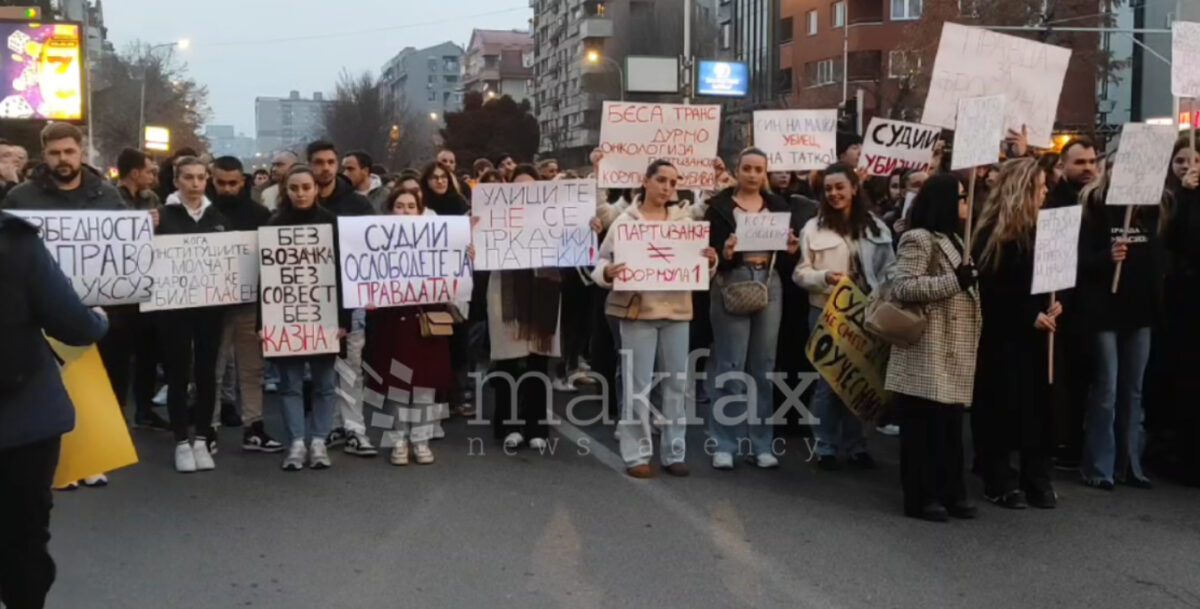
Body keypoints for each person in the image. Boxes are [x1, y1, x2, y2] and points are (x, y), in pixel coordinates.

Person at [0, 210, 108, 609]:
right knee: (24, 540)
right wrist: (98, 321)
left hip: (25, 419)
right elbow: (74, 325)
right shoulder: (16, 242)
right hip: (24, 422)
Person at [593, 159, 718, 478]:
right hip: (637, 312)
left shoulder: (685, 221)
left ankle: (674, 450)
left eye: (673, 182)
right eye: (661, 179)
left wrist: (711, 260)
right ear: (645, 181)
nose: (667, 187)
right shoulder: (625, 221)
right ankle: (637, 454)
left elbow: (699, 265)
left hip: (677, 312)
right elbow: (600, 262)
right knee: (638, 385)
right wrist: (607, 273)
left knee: (677, 384)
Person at [885, 174, 981, 522]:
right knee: (923, 429)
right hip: (925, 345)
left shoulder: (956, 239)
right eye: (959, 197)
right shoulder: (918, 239)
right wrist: (953, 281)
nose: (965, 203)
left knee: (949, 428)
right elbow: (903, 288)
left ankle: (950, 490)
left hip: (951, 347)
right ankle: (921, 496)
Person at [793, 162, 895, 470]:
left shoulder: (877, 227)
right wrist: (825, 277)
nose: (834, 194)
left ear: (854, 188)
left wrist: (884, 295)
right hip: (826, 312)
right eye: (828, 189)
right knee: (829, 380)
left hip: (867, 313)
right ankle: (824, 445)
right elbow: (800, 273)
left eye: (840, 187)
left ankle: (856, 445)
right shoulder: (813, 228)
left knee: (860, 379)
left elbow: (890, 268)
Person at [971, 157, 1060, 509]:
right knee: (1001, 405)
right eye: (1039, 187)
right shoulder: (994, 235)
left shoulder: (1046, 230)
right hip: (1003, 337)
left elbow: (1057, 278)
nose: (1045, 192)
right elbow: (990, 291)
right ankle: (998, 476)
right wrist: (1028, 315)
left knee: (1039, 407)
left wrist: (1058, 304)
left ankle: (1035, 474)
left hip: (1041, 334)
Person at [705, 148, 801, 470]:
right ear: (738, 169)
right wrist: (726, 251)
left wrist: (790, 250)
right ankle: (725, 443)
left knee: (764, 367)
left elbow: (787, 261)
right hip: (732, 280)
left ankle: (761, 443)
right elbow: (711, 255)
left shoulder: (777, 206)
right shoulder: (718, 206)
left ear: (765, 173)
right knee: (731, 364)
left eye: (759, 169)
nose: (752, 174)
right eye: (747, 168)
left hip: (769, 281)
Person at [1077, 173, 1161, 490]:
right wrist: (1105, 258)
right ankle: (1100, 467)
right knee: (1107, 390)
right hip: (1104, 313)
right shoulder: (1096, 207)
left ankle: (1130, 464)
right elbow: (1079, 258)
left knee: (1133, 391)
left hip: (1140, 312)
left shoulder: (1152, 208)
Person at [365, 189, 460, 466]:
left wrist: (464, 255)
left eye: (410, 206)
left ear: (420, 211)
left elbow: (455, 276)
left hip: (425, 323)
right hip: (392, 323)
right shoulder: (376, 242)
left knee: (424, 386)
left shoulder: (436, 241)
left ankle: (420, 440)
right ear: (390, 210)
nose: (405, 211)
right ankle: (398, 440)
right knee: (397, 385)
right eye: (399, 205)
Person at [265, 165, 348, 471]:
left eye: (306, 187)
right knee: (290, 384)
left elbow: (342, 275)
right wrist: (265, 324)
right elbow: (268, 280)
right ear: (285, 191)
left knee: (325, 384)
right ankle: (297, 443)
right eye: (294, 188)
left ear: (316, 189)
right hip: (285, 318)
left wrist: (344, 320)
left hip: (324, 316)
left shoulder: (331, 224)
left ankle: (319, 441)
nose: (301, 194)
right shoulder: (274, 225)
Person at [155, 157, 231, 473]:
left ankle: (202, 438)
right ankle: (180, 442)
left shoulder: (217, 216)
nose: (196, 183)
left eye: (201, 177)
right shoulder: (161, 216)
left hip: (209, 309)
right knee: (177, 374)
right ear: (177, 181)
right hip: (173, 310)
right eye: (189, 177)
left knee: (206, 373)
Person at [306, 140, 378, 456]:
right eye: (319, 162)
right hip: (310, 300)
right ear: (310, 165)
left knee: (350, 366)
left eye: (331, 162)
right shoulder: (298, 204)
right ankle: (329, 426)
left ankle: (354, 429)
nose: (325, 168)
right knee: (321, 369)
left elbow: (373, 249)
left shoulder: (358, 205)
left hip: (351, 301)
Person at [485, 164, 562, 450]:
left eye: (530, 187)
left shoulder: (554, 218)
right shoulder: (495, 217)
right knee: (507, 362)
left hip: (544, 292)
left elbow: (577, 245)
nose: (524, 193)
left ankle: (536, 426)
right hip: (505, 293)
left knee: (538, 363)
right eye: (518, 187)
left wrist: (589, 229)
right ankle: (509, 424)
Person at [209, 156, 282, 453]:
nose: (227, 189)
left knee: (252, 369)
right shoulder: (201, 214)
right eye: (221, 183)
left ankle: (254, 425)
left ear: (243, 182)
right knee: (211, 369)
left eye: (233, 183)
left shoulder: (261, 214)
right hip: (211, 305)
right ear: (212, 181)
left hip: (249, 303)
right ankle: (208, 427)